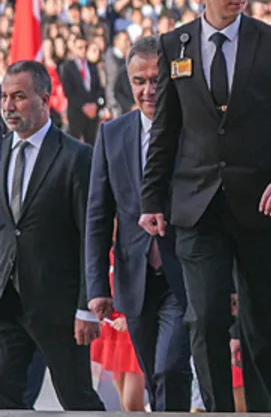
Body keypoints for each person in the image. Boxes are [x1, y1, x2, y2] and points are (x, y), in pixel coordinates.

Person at [140, 0, 271, 413]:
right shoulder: (174, 46)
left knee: (260, 323)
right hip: (198, 207)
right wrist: (151, 200)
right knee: (204, 318)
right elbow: (165, 130)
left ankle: (269, 409)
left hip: (261, 206)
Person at [85, 35, 191, 411]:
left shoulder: (193, 129)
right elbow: (98, 216)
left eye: (156, 80)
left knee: (171, 369)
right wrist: (97, 286)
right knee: (152, 374)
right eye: (139, 81)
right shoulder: (112, 135)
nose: (148, 90)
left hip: (184, 271)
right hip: (135, 281)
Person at [0, 61, 104, 410]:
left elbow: (92, 236)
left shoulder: (77, 158)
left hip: (60, 309)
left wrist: (86, 307)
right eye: (4, 97)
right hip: (7, 304)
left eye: (19, 96)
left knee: (77, 399)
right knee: (5, 398)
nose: (8, 106)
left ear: (45, 100)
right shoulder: (0, 153)